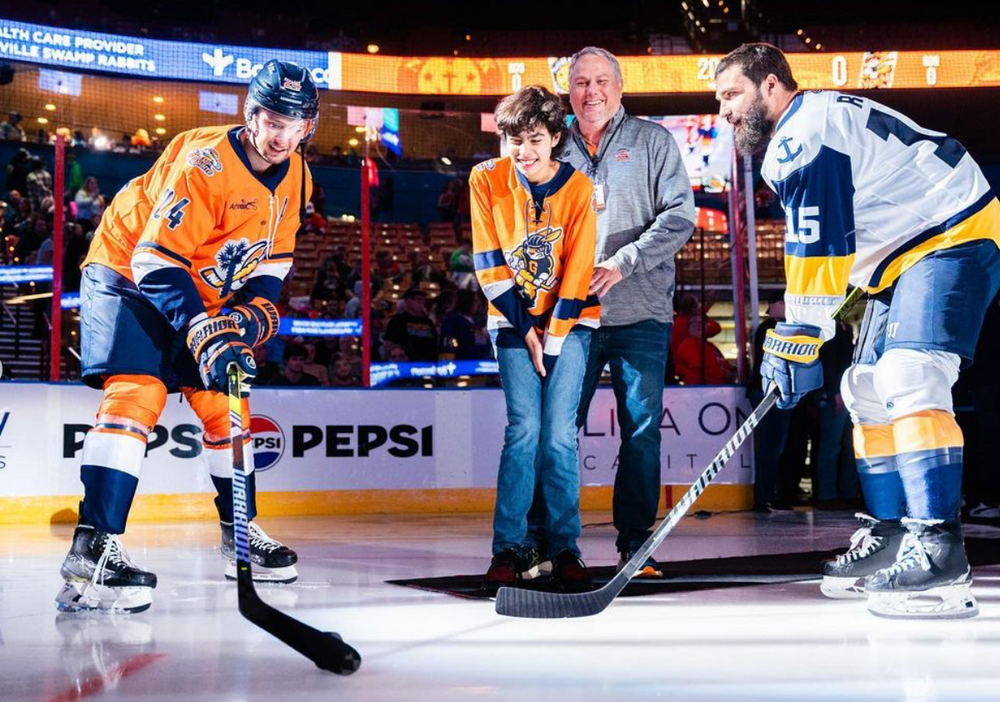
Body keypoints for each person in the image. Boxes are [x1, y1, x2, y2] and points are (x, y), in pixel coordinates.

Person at [715, 43, 1000, 619]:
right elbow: (831, 244)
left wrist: (800, 334)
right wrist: (803, 331)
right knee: (864, 389)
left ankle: (940, 550)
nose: (723, 111)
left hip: (951, 232)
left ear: (771, 86)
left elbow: (818, 245)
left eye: (731, 94)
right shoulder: (806, 128)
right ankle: (893, 535)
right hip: (897, 256)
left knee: (910, 375)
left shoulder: (803, 134)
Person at [56, 59, 319, 614]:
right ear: (251, 115)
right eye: (272, 119)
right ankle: (93, 548)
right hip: (130, 270)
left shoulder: (297, 175)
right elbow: (154, 258)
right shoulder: (203, 159)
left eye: (292, 123)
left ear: (307, 127)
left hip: (202, 285)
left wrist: (249, 317)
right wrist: (204, 328)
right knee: (137, 394)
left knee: (229, 407)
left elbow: (273, 264)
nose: (280, 134)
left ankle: (239, 538)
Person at [545, 46, 695, 577]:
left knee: (642, 431)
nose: (592, 92)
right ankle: (553, 546)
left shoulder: (653, 142)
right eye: (581, 82)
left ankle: (636, 544)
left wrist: (625, 262)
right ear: (569, 90)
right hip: (570, 317)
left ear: (620, 87)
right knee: (559, 429)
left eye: (601, 81)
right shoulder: (551, 142)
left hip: (642, 314)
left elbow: (681, 216)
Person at [472, 85, 600, 588]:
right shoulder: (485, 178)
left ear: (554, 139)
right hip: (512, 323)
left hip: (570, 324)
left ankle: (564, 548)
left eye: (534, 139)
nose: (522, 151)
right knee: (523, 431)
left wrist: (550, 337)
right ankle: (508, 548)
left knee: (560, 437)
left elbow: (578, 269)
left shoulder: (580, 189)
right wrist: (525, 328)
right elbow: (488, 260)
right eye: (513, 140)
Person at [384, 288, 439, 362]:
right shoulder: (397, 321)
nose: (420, 302)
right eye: (416, 299)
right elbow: (389, 345)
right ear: (407, 301)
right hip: (406, 365)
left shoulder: (428, 321)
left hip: (428, 365)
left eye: (422, 299)